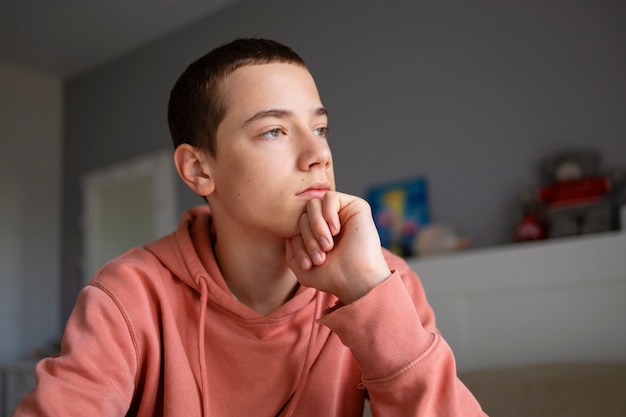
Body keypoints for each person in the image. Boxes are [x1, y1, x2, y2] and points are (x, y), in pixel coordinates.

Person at [13, 38, 486, 416]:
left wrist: (367, 293)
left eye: (319, 128)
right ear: (199, 170)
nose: (318, 155)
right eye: (274, 131)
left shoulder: (386, 282)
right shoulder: (128, 295)